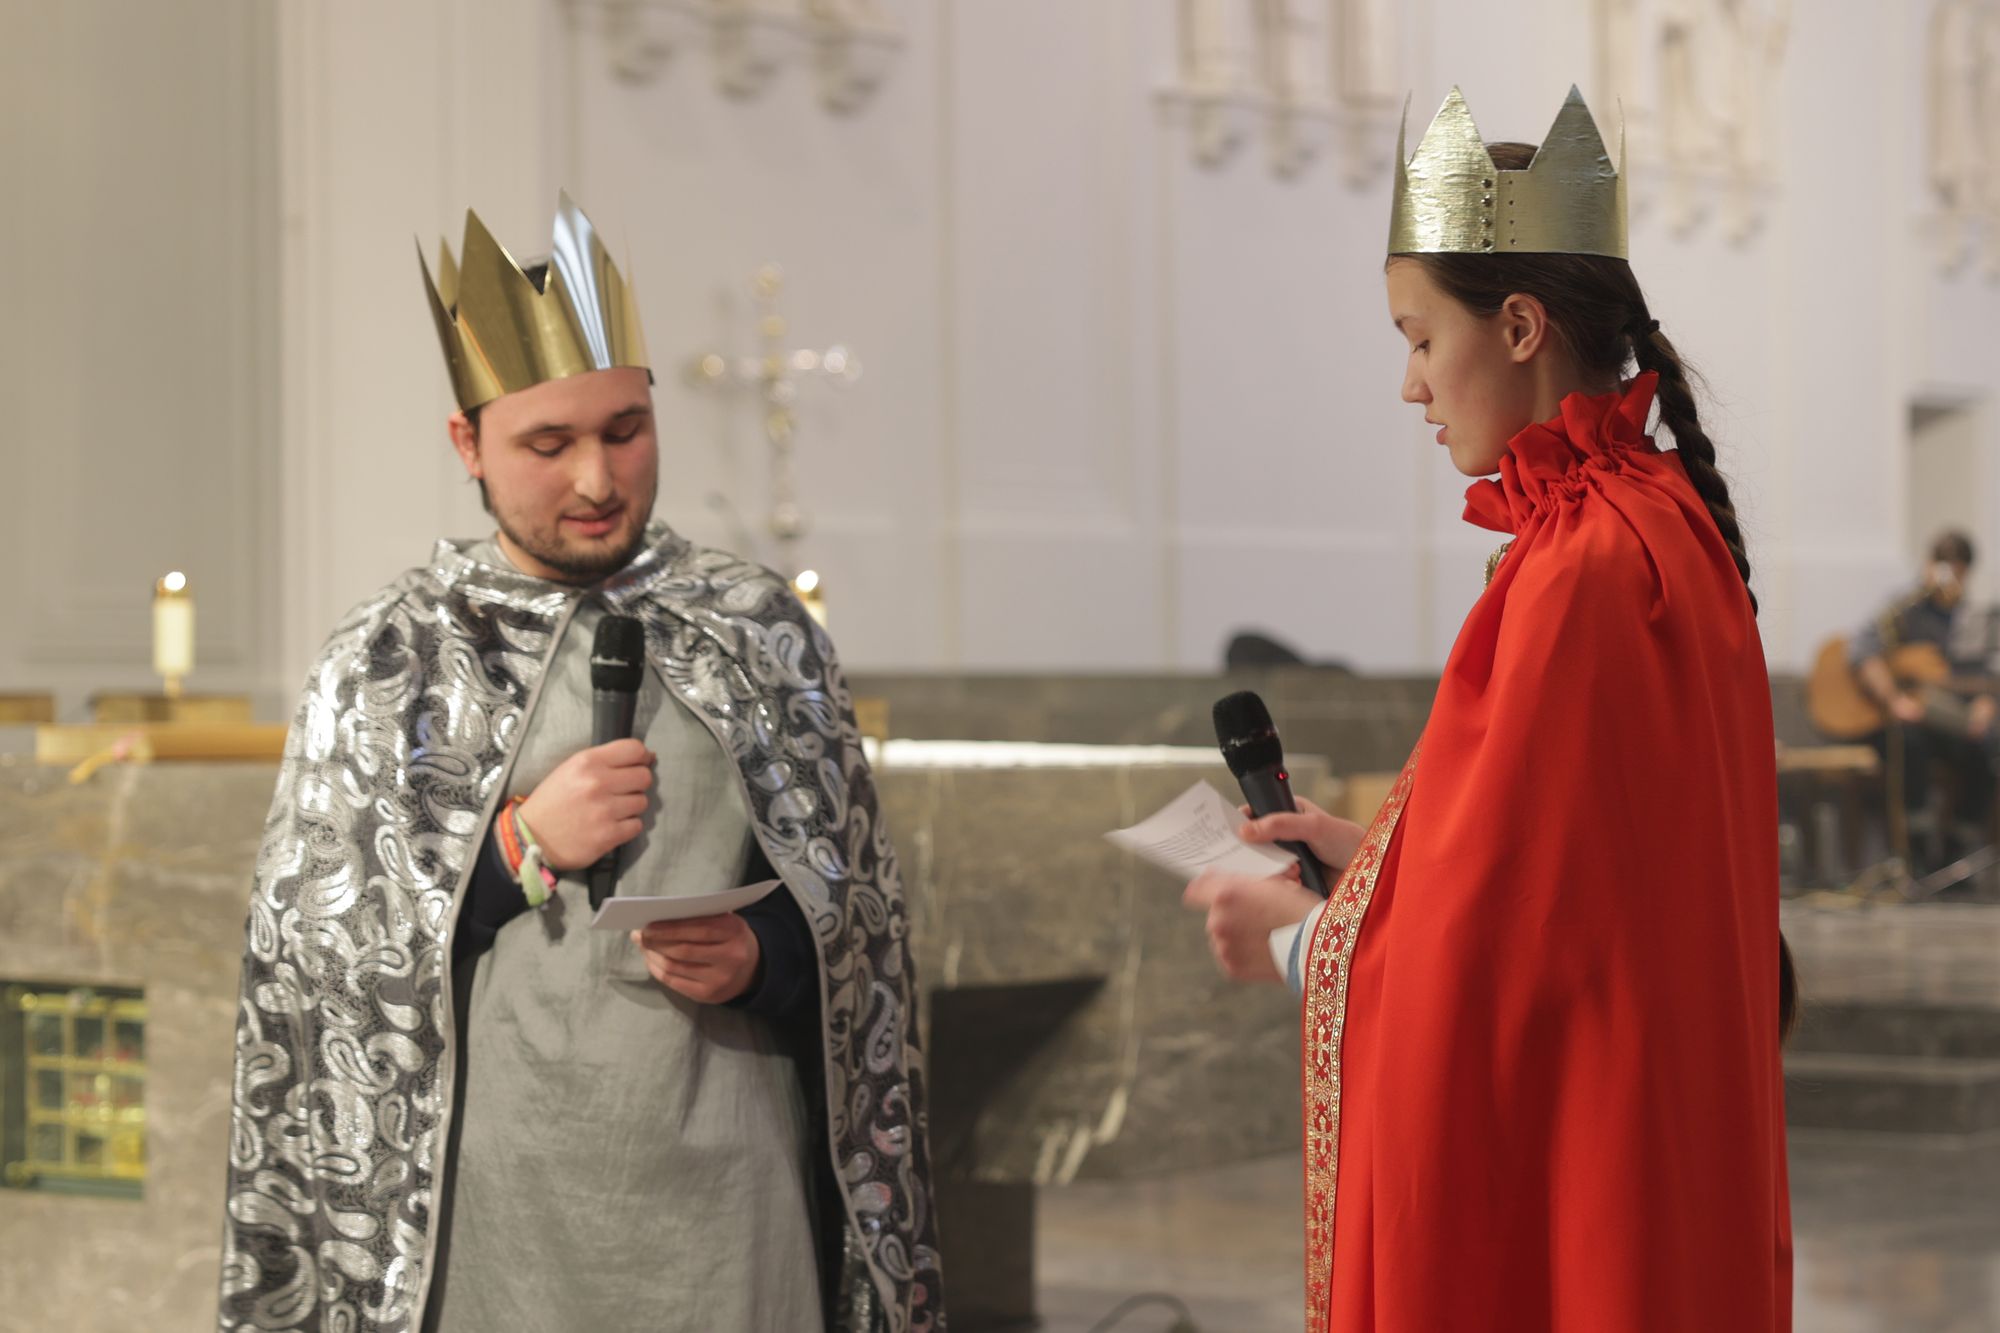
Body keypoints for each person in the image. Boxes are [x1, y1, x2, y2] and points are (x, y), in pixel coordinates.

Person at [216, 196, 943, 1333]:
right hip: (492, 1201)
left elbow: (863, 929)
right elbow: (313, 964)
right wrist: (516, 848)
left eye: (625, 430)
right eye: (548, 446)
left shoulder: (755, 628)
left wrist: (765, 955)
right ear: (468, 445)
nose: (598, 480)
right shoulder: (394, 655)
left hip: (727, 1188)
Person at [1184, 89, 1793, 1331]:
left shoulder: (1576, 567)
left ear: (1516, 325)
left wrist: (1302, 938)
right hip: (1655, 1162)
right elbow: (1580, 878)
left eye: (1419, 338)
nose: (1409, 384)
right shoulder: (1653, 520)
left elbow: (1502, 966)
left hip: (1589, 1181)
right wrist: (1376, 860)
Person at [1849, 529, 1997, 870]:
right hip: (1906, 722)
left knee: (1987, 749)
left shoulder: (1977, 618)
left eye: (1956, 568)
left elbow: (1985, 673)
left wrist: (1985, 702)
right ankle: (1916, 851)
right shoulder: (1905, 609)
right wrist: (1893, 699)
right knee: (1909, 742)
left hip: (1950, 721)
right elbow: (1862, 651)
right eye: (1941, 564)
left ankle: (1958, 854)